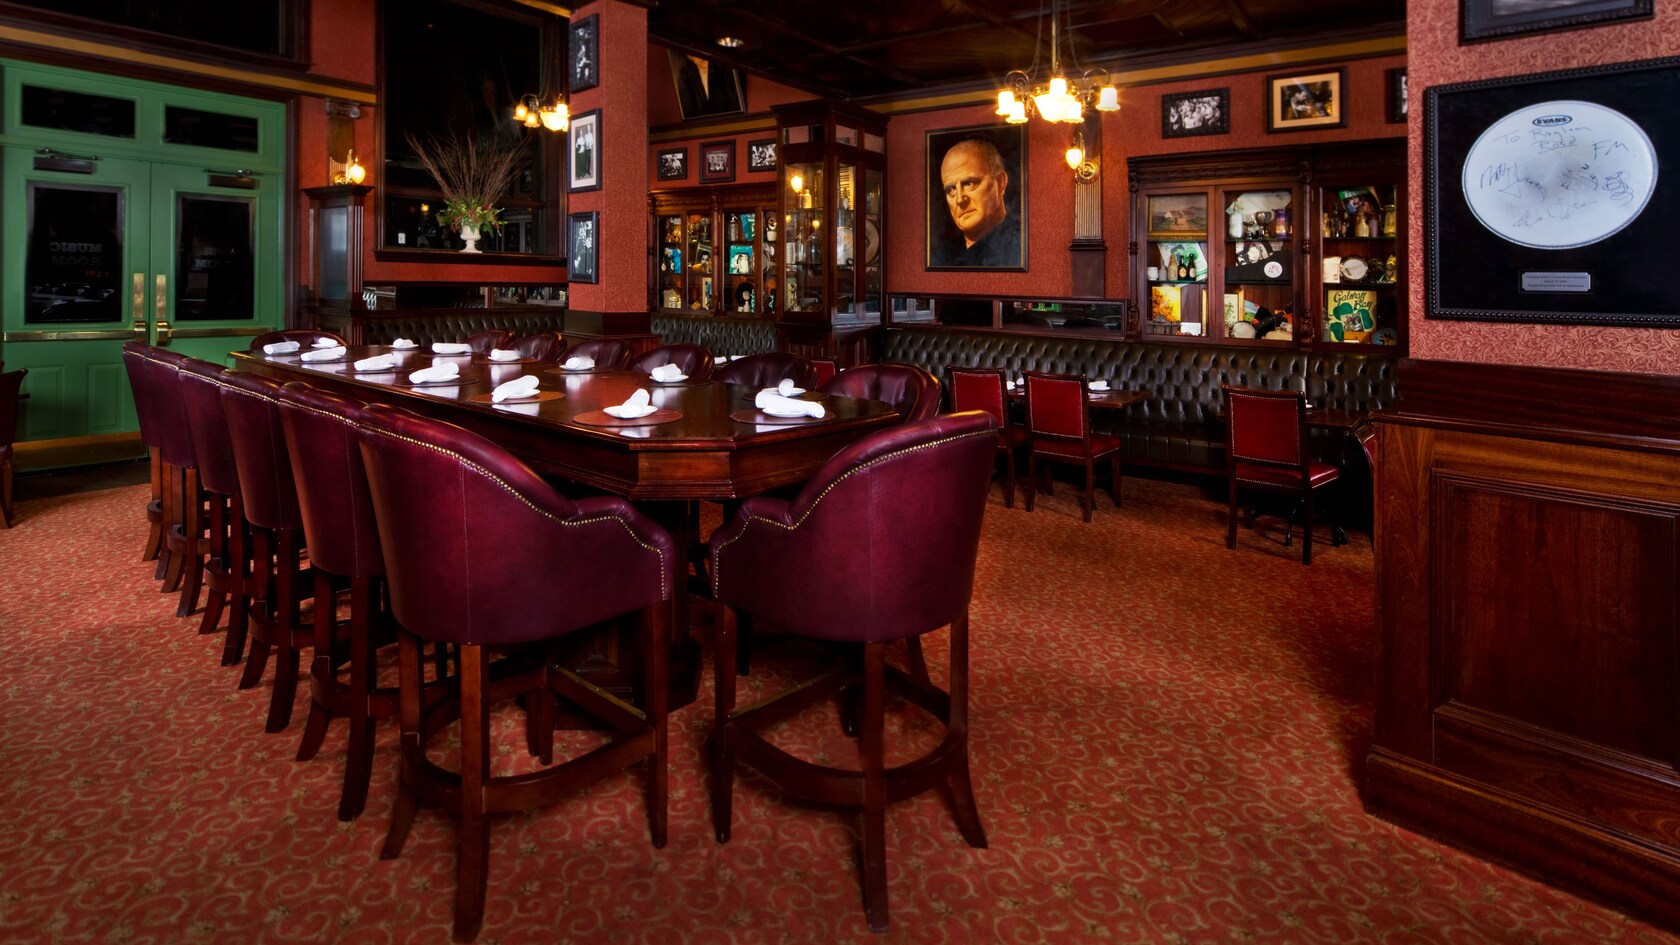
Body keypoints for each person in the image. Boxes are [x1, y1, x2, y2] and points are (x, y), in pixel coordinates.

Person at [931, 137, 1021, 267]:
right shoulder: (941, 256)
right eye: (951, 190)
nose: (960, 199)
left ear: (1000, 183)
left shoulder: (1020, 244)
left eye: (969, 183)